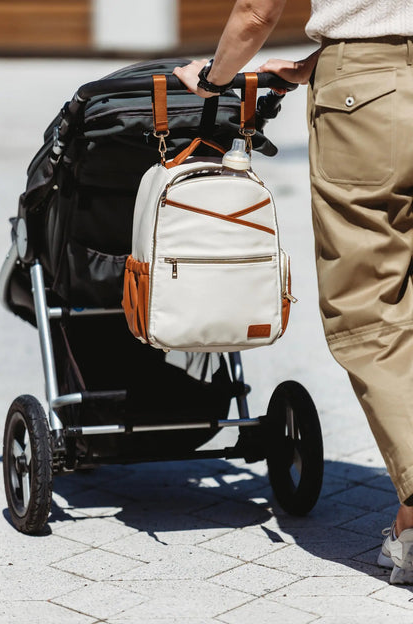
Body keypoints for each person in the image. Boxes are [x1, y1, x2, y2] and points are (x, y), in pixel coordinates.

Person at [173, 0, 413, 584]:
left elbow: (257, 12)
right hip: (369, 69)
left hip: (369, 97)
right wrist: (319, 62)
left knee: (369, 302)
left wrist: (213, 78)